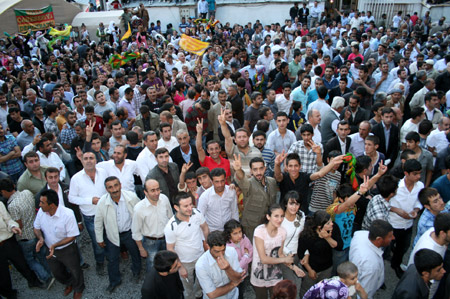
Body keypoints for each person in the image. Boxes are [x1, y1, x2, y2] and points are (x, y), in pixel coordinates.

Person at [0, 178, 53, 287]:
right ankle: (52, 272)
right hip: (36, 231)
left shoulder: (12, 206)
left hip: (25, 238)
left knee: (31, 260)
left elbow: (19, 225)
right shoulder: (27, 193)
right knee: (42, 255)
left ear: (3, 192)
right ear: (14, 186)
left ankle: (46, 278)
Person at [34, 189, 84, 299]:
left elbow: (72, 235)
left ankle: (78, 288)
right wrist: (41, 239)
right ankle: (69, 283)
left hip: (67, 249)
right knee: (57, 273)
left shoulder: (67, 214)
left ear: (51, 205)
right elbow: (36, 227)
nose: (39, 204)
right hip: (50, 249)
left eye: (42, 202)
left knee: (75, 270)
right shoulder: (41, 212)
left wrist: (55, 245)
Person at [94, 176, 141, 293]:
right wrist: (99, 238)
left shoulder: (131, 197)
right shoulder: (102, 202)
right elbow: (98, 221)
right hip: (112, 236)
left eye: (116, 185)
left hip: (130, 232)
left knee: (135, 254)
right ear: (106, 189)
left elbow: (141, 212)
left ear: (120, 185)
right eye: (110, 187)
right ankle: (114, 281)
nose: (114, 189)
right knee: (112, 259)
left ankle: (136, 272)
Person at [69, 151, 108, 275]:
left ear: (96, 160)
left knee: (110, 237)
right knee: (98, 241)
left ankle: (111, 258)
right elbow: (71, 198)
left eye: (91, 158)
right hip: (91, 216)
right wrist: (89, 200)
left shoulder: (103, 172)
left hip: (107, 212)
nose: (89, 160)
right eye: (86, 158)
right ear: (82, 161)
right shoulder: (76, 178)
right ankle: (100, 262)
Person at [164, 192, 209, 299]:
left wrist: (206, 243)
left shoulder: (197, 213)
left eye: (191, 204)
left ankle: (198, 294)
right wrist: (180, 267)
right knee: (187, 286)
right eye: (186, 206)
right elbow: (170, 249)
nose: (190, 208)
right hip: (185, 261)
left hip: (201, 256)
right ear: (176, 207)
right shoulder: (171, 227)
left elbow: (205, 227)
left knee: (201, 279)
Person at [389, 159, 424, 278]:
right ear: (406, 173)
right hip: (394, 224)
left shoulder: (420, 186)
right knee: (386, 248)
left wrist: (416, 210)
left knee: (403, 247)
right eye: (415, 174)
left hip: (408, 224)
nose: (418, 177)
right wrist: (397, 210)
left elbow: (420, 201)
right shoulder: (396, 186)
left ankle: (396, 264)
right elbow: (385, 202)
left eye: (419, 173)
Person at [251, 204, 294, 298]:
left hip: (275, 274)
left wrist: (294, 268)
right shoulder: (259, 231)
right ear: (268, 216)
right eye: (276, 216)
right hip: (260, 274)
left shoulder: (283, 232)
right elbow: (264, 259)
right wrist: (284, 260)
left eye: (282, 216)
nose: (280, 219)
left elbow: (280, 254)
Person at [298, 210, 343, 297]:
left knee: (323, 290)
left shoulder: (334, 229)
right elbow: (301, 253)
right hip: (311, 268)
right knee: (307, 290)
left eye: (330, 221)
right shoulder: (307, 235)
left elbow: (339, 246)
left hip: (326, 268)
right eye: (328, 223)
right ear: (319, 226)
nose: (332, 224)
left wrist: (327, 238)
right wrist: (310, 270)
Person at [233, 156, 278, 240]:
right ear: (251, 171)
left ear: (265, 168)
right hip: (251, 226)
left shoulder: (272, 181)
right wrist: (238, 170)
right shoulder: (248, 184)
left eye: (261, 169)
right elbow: (242, 179)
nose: (258, 172)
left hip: (268, 224)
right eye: (255, 169)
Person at [132, 179, 173, 273]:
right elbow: (135, 231)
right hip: (150, 242)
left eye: (158, 189)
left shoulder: (164, 199)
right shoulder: (139, 209)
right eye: (152, 190)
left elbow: (170, 217)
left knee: (168, 263)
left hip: (166, 238)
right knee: (152, 266)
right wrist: (141, 248)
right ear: (145, 192)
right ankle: (153, 285)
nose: (157, 193)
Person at [349, 220, 394, 299]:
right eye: (390, 236)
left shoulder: (360, 234)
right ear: (379, 239)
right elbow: (366, 293)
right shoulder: (371, 265)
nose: (393, 238)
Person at [195, 231, 245, 299]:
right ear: (208, 247)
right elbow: (212, 294)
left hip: (234, 296)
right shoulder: (201, 265)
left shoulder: (231, 251)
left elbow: (238, 278)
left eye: (223, 250)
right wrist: (232, 284)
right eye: (217, 251)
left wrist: (228, 269)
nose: (221, 255)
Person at [280, 191, 306, 298]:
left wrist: (306, 254)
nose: (294, 207)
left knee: (297, 285)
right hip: (283, 256)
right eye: (291, 203)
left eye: (297, 204)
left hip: (297, 255)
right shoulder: (280, 219)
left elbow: (303, 236)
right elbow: (278, 242)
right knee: (291, 287)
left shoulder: (301, 216)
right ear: (286, 204)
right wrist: (289, 253)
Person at [303, 261, 368, 299]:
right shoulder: (331, 285)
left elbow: (365, 297)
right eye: (353, 278)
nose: (356, 279)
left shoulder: (356, 284)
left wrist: (361, 290)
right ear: (342, 280)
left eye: (356, 276)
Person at [224, 219, 253, 299]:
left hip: (244, 273)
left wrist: (245, 260)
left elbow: (251, 251)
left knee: (241, 292)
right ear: (229, 235)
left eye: (240, 232)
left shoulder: (244, 238)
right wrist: (246, 256)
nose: (239, 235)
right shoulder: (227, 247)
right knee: (233, 293)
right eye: (235, 233)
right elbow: (236, 266)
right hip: (233, 276)